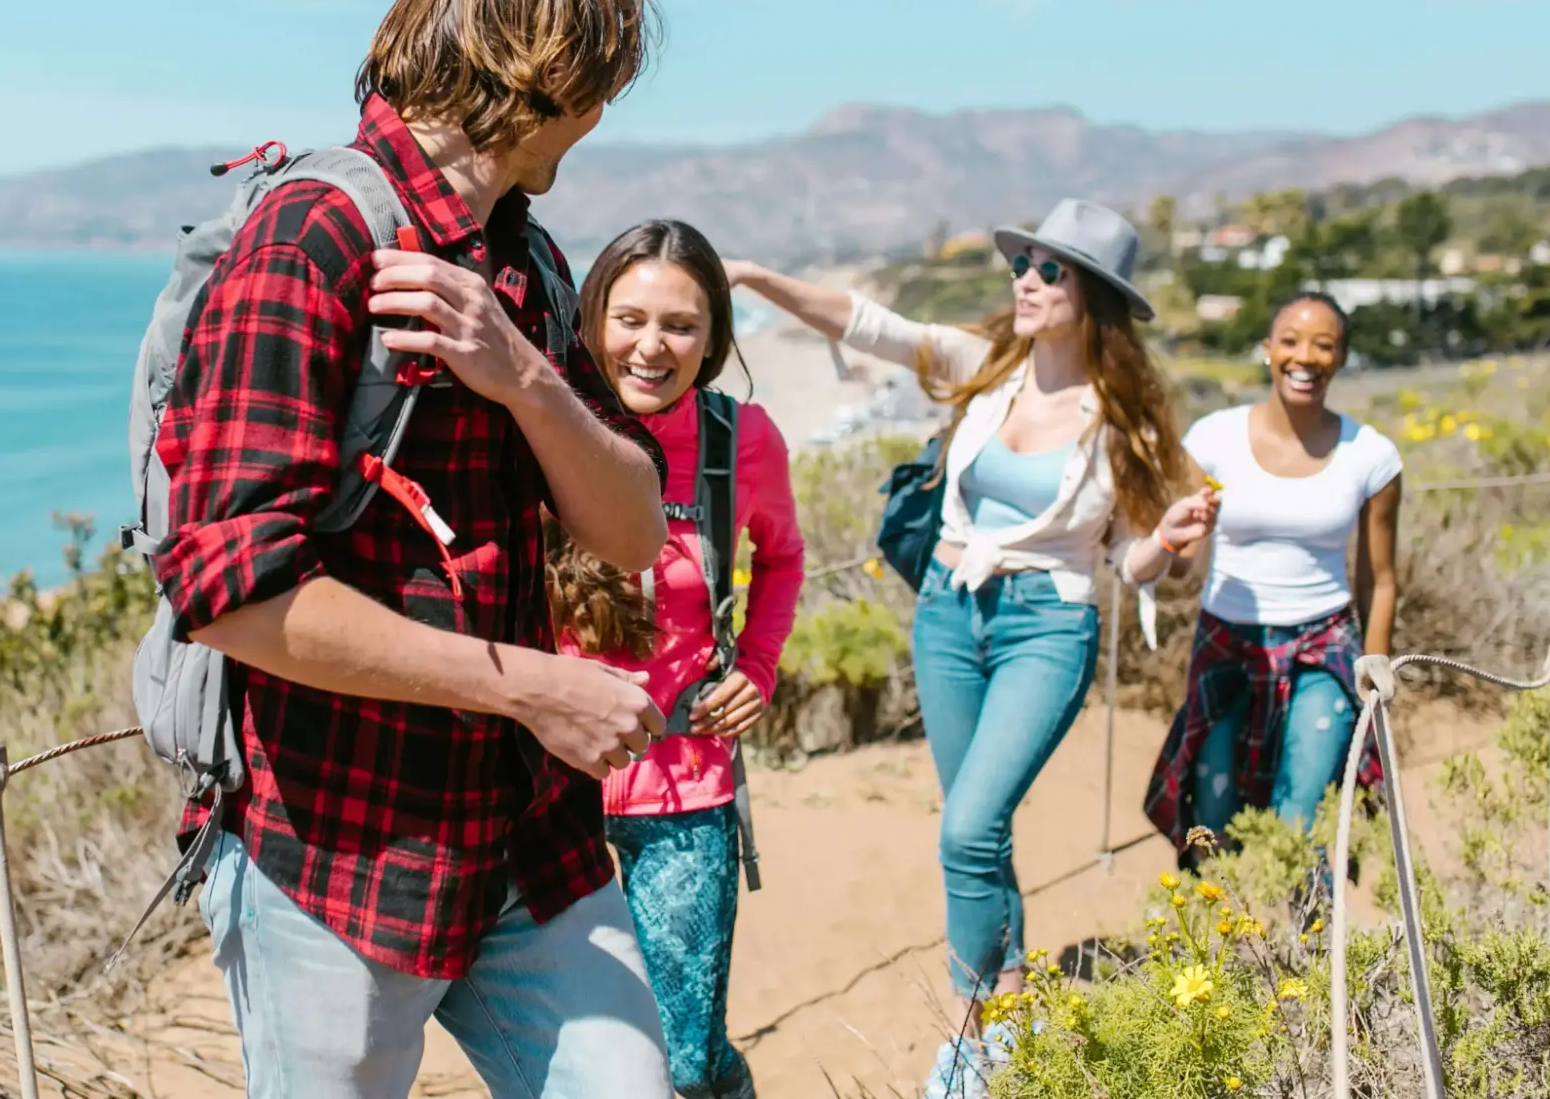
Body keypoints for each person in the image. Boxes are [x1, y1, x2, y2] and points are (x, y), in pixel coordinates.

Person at [150, 0, 681, 1098]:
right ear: (551, 73)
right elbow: (231, 594)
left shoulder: (522, 259)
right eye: (602, 88)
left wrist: (526, 375)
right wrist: (537, 686)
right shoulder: (315, 234)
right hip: (338, 854)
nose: (601, 122)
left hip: (528, 841)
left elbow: (634, 526)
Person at [725, 198, 1218, 1099]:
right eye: (1022, 263)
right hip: (949, 616)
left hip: (1047, 625)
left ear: (1095, 296)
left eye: (1048, 268)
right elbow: (869, 324)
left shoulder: (1124, 422)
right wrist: (756, 279)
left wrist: (1172, 537)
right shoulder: (989, 369)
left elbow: (1132, 562)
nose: (1024, 280)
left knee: (967, 828)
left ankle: (968, 1029)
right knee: (979, 834)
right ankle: (1018, 1004)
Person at [547, 220, 805, 1099]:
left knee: (686, 1059)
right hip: (552, 790)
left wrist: (759, 665)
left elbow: (782, 556)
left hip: (685, 790)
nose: (651, 346)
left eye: (681, 326)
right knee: (593, 1053)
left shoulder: (743, 442)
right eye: (629, 319)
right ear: (590, 321)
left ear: (714, 339)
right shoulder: (543, 424)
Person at [1145, 292, 1401, 873]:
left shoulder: (1374, 456)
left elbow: (1379, 579)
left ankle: (1309, 958)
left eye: (1323, 344)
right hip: (1227, 644)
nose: (1304, 357)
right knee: (1214, 811)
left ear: (1341, 357)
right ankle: (1221, 952)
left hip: (1325, 648)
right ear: (1267, 350)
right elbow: (1184, 562)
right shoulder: (1212, 439)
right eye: (1290, 341)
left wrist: (1377, 663)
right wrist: (1159, 541)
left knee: (1303, 815)